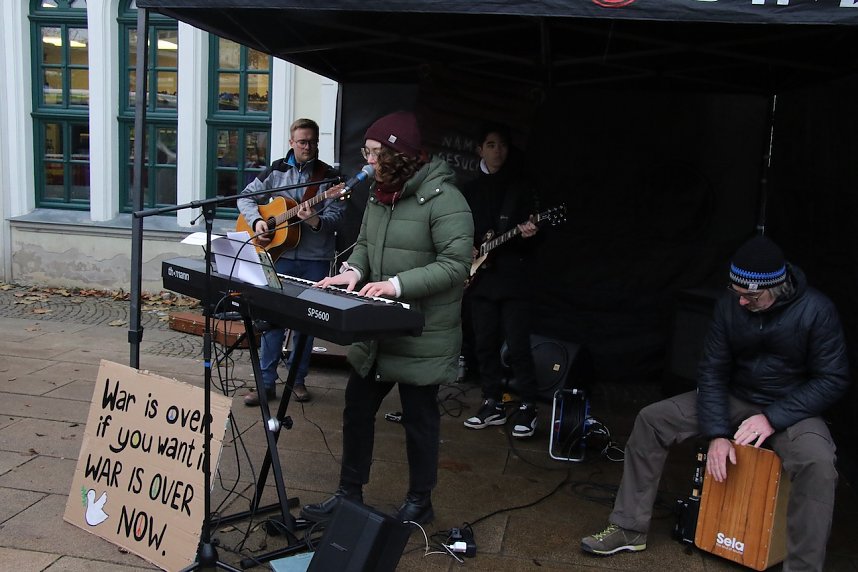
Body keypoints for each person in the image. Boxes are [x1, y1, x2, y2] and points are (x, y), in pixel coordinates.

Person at [581, 235, 850, 572]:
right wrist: (718, 433)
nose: (741, 302)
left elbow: (833, 379)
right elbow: (711, 370)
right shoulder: (729, 304)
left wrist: (772, 417)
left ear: (777, 287)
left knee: (819, 465)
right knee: (652, 420)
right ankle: (628, 527)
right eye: (737, 293)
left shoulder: (817, 310)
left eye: (751, 296)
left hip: (792, 406)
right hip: (735, 396)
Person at [299, 111, 473, 525]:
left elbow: (455, 266)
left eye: (376, 154)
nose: (368, 163)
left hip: (420, 332)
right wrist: (354, 272)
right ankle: (348, 494)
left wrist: (395, 285)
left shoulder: (446, 200)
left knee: (420, 419)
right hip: (375, 329)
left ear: (399, 155)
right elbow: (363, 244)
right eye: (367, 153)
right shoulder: (379, 194)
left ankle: (419, 503)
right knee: (356, 409)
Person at [236, 118, 344, 405]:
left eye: (312, 141)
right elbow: (245, 198)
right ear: (291, 143)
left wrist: (315, 219)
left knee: (306, 324)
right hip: (278, 255)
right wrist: (258, 220)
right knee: (270, 320)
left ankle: (298, 380)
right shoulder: (275, 171)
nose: (308, 146)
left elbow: (338, 218)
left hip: (314, 260)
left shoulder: (330, 179)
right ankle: (266, 383)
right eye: (302, 141)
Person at [461, 124, 541, 438]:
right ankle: (491, 401)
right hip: (481, 279)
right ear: (480, 149)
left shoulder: (521, 188)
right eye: (491, 145)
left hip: (514, 279)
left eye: (502, 145)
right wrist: (466, 245)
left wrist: (529, 235)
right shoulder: (469, 190)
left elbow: (536, 241)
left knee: (519, 344)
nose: (497, 151)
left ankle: (529, 406)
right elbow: (459, 229)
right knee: (484, 343)